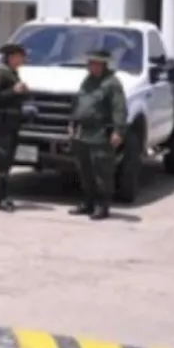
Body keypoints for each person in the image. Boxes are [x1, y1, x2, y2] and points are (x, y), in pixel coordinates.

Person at [67, 49, 127, 220]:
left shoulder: (111, 83)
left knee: (102, 171)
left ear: (102, 64)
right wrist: (72, 122)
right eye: (89, 63)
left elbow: (119, 108)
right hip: (83, 132)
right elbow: (79, 103)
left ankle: (103, 206)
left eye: (93, 63)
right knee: (84, 169)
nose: (90, 66)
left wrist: (118, 130)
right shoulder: (87, 81)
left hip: (100, 132)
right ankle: (88, 203)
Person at [0, 43, 28, 212]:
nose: (23, 59)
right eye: (20, 56)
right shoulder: (0, 73)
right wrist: (14, 92)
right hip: (2, 123)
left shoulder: (13, 73)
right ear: (11, 57)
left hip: (12, 122)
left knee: (6, 161)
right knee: (2, 160)